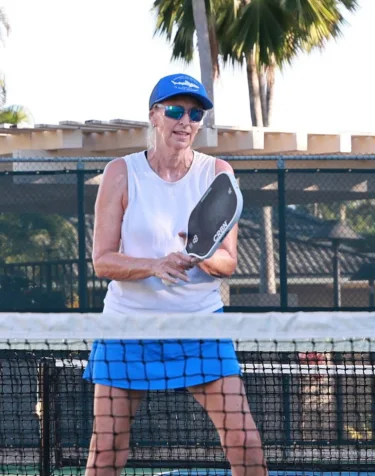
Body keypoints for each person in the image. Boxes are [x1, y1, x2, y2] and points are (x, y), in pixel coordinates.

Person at [83, 73, 267, 476]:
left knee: (245, 443)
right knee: (107, 451)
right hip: (128, 328)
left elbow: (228, 262)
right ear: (154, 115)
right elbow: (103, 261)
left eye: (195, 113)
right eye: (175, 110)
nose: (185, 120)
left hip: (200, 327)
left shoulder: (217, 172)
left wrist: (199, 254)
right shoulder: (120, 173)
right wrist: (154, 265)